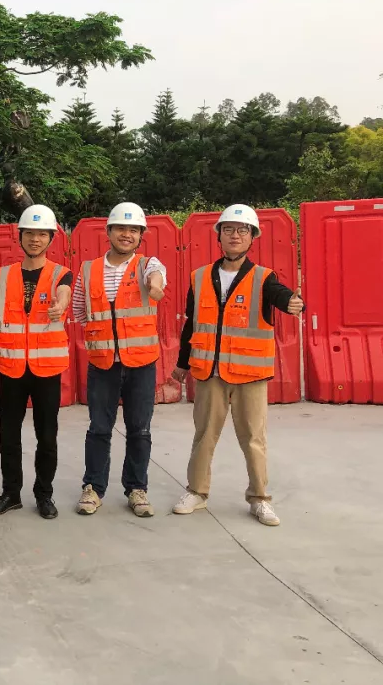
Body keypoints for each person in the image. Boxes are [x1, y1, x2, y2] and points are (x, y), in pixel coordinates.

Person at [171, 204, 304, 527]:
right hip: (209, 373)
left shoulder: (264, 278)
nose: (235, 235)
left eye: (242, 230)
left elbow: (281, 296)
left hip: (250, 375)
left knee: (253, 438)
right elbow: (191, 324)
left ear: (252, 237)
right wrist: (182, 364)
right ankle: (196, 492)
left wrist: (293, 303)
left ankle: (259, 498)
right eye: (228, 229)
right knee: (204, 435)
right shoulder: (200, 277)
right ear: (219, 236)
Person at [73, 202, 166, 518]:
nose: (127, 234)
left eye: (134, 230)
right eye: (121, 228)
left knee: (140, 429)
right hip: (102, 364)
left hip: (141, 364)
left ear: (141, 235)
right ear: (109, 231)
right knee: (99, 428)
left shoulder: (147, 264)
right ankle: (93, 488)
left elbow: (157, 278)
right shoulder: (88, 270)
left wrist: (155, 286)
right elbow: (79, 311)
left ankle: (137, 489)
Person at [0, 205, 73, 520]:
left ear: (51, 238)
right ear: (19, 237)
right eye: (30, 234)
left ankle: (44, 495)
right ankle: (11, 493)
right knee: (8, 436)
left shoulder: (60, 273)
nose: (35, 239)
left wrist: (60, 305)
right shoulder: (3, 275)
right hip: (10, 368)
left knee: (46, 436)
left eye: (42, 234)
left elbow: (64, 293)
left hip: (46, 370)